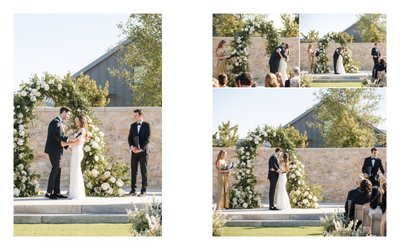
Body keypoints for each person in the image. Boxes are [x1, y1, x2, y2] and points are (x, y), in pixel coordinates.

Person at [45, 107, 78, 199]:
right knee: (55, 168)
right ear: (63, 112)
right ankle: (48, 193)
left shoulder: (59, 122)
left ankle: (56, 192)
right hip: (53, 149)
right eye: (68, 114)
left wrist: (68, 145)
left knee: (58, 169)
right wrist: (70, 140)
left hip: (57, 149)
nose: (68, 116)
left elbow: (59, 138)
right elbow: (57, 136)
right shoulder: (55, 122)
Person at [62, 115, 88, 200]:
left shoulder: (82, 130)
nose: (75, 122)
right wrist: (68, 143)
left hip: (78, 152)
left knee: (76, 171)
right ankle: (73, 193)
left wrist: (66, 144)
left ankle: (77, 194)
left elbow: (78, 142)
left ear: (81, 121)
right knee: (74, 171)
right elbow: (74, 140)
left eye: (77, 120)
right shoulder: (79, 130)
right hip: (75, 152)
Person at [128, 109, 151, 197]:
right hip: (134, 152)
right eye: (134, 115)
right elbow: (130, 138)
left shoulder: (147, 125)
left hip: (143, 152)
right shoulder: (132, 125)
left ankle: (143, 191)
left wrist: (141, 149)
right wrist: (132, 147)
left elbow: (147, 139)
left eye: (136, 115)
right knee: (134, 170)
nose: (134, 117)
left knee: (143, 171)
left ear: (141, 116)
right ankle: (133, 190)